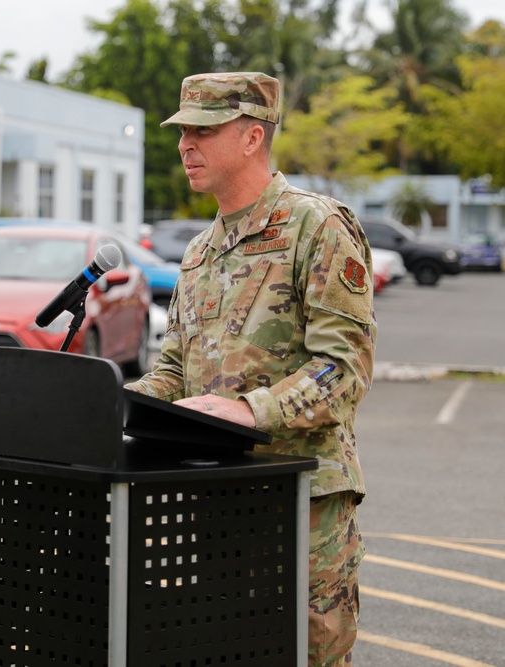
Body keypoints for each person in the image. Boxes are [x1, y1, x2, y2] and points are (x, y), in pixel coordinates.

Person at [125, 71, 377, 666]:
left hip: (304, 499)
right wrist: (112, 404)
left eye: (202, 130)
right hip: (216, 499)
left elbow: (344, 368)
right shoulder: (199, 251)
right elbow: (174, 370)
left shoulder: (315, 226)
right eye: (182, 132)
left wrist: (249, 411)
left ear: (252, 137)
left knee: (306, 656)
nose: (185, 145)